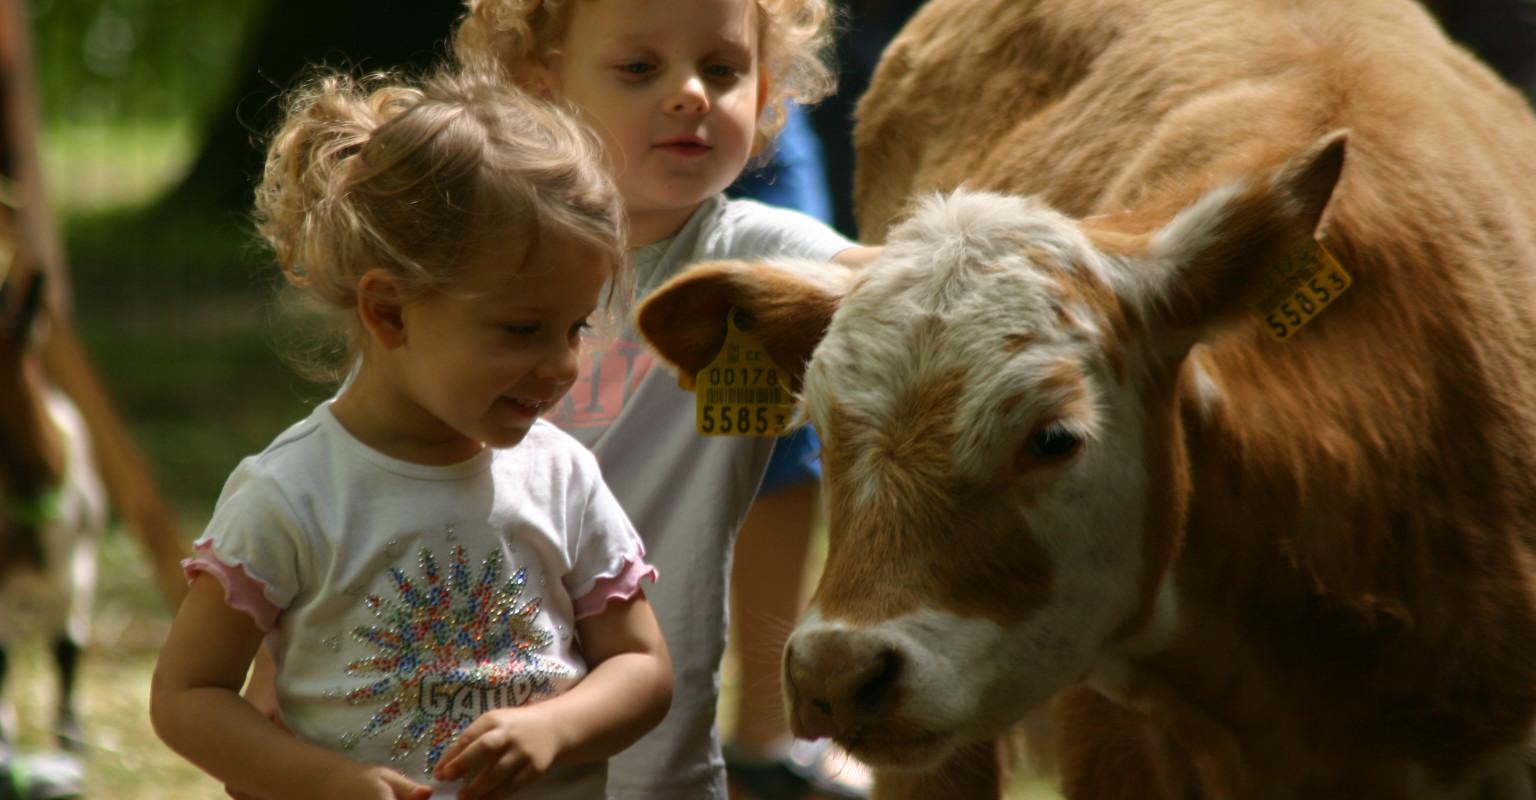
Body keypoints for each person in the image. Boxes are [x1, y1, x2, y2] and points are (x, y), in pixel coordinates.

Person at [149, 66, 673, 800]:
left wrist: (558, 727)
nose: (562, 364)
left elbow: (643, 669)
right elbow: (187, 697)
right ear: (390, 312)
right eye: (523, 329)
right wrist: (327, 781)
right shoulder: (292, 494)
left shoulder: (565, 477)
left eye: (575, 327)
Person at [453, 1, 881, 796]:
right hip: (456, 717)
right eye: (641, 69)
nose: (690, 94)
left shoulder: (750, 252)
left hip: (650, 750)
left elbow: (901, 286)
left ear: (765, 95)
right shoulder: (474, 252)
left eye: (722, 71)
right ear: (542, 85)